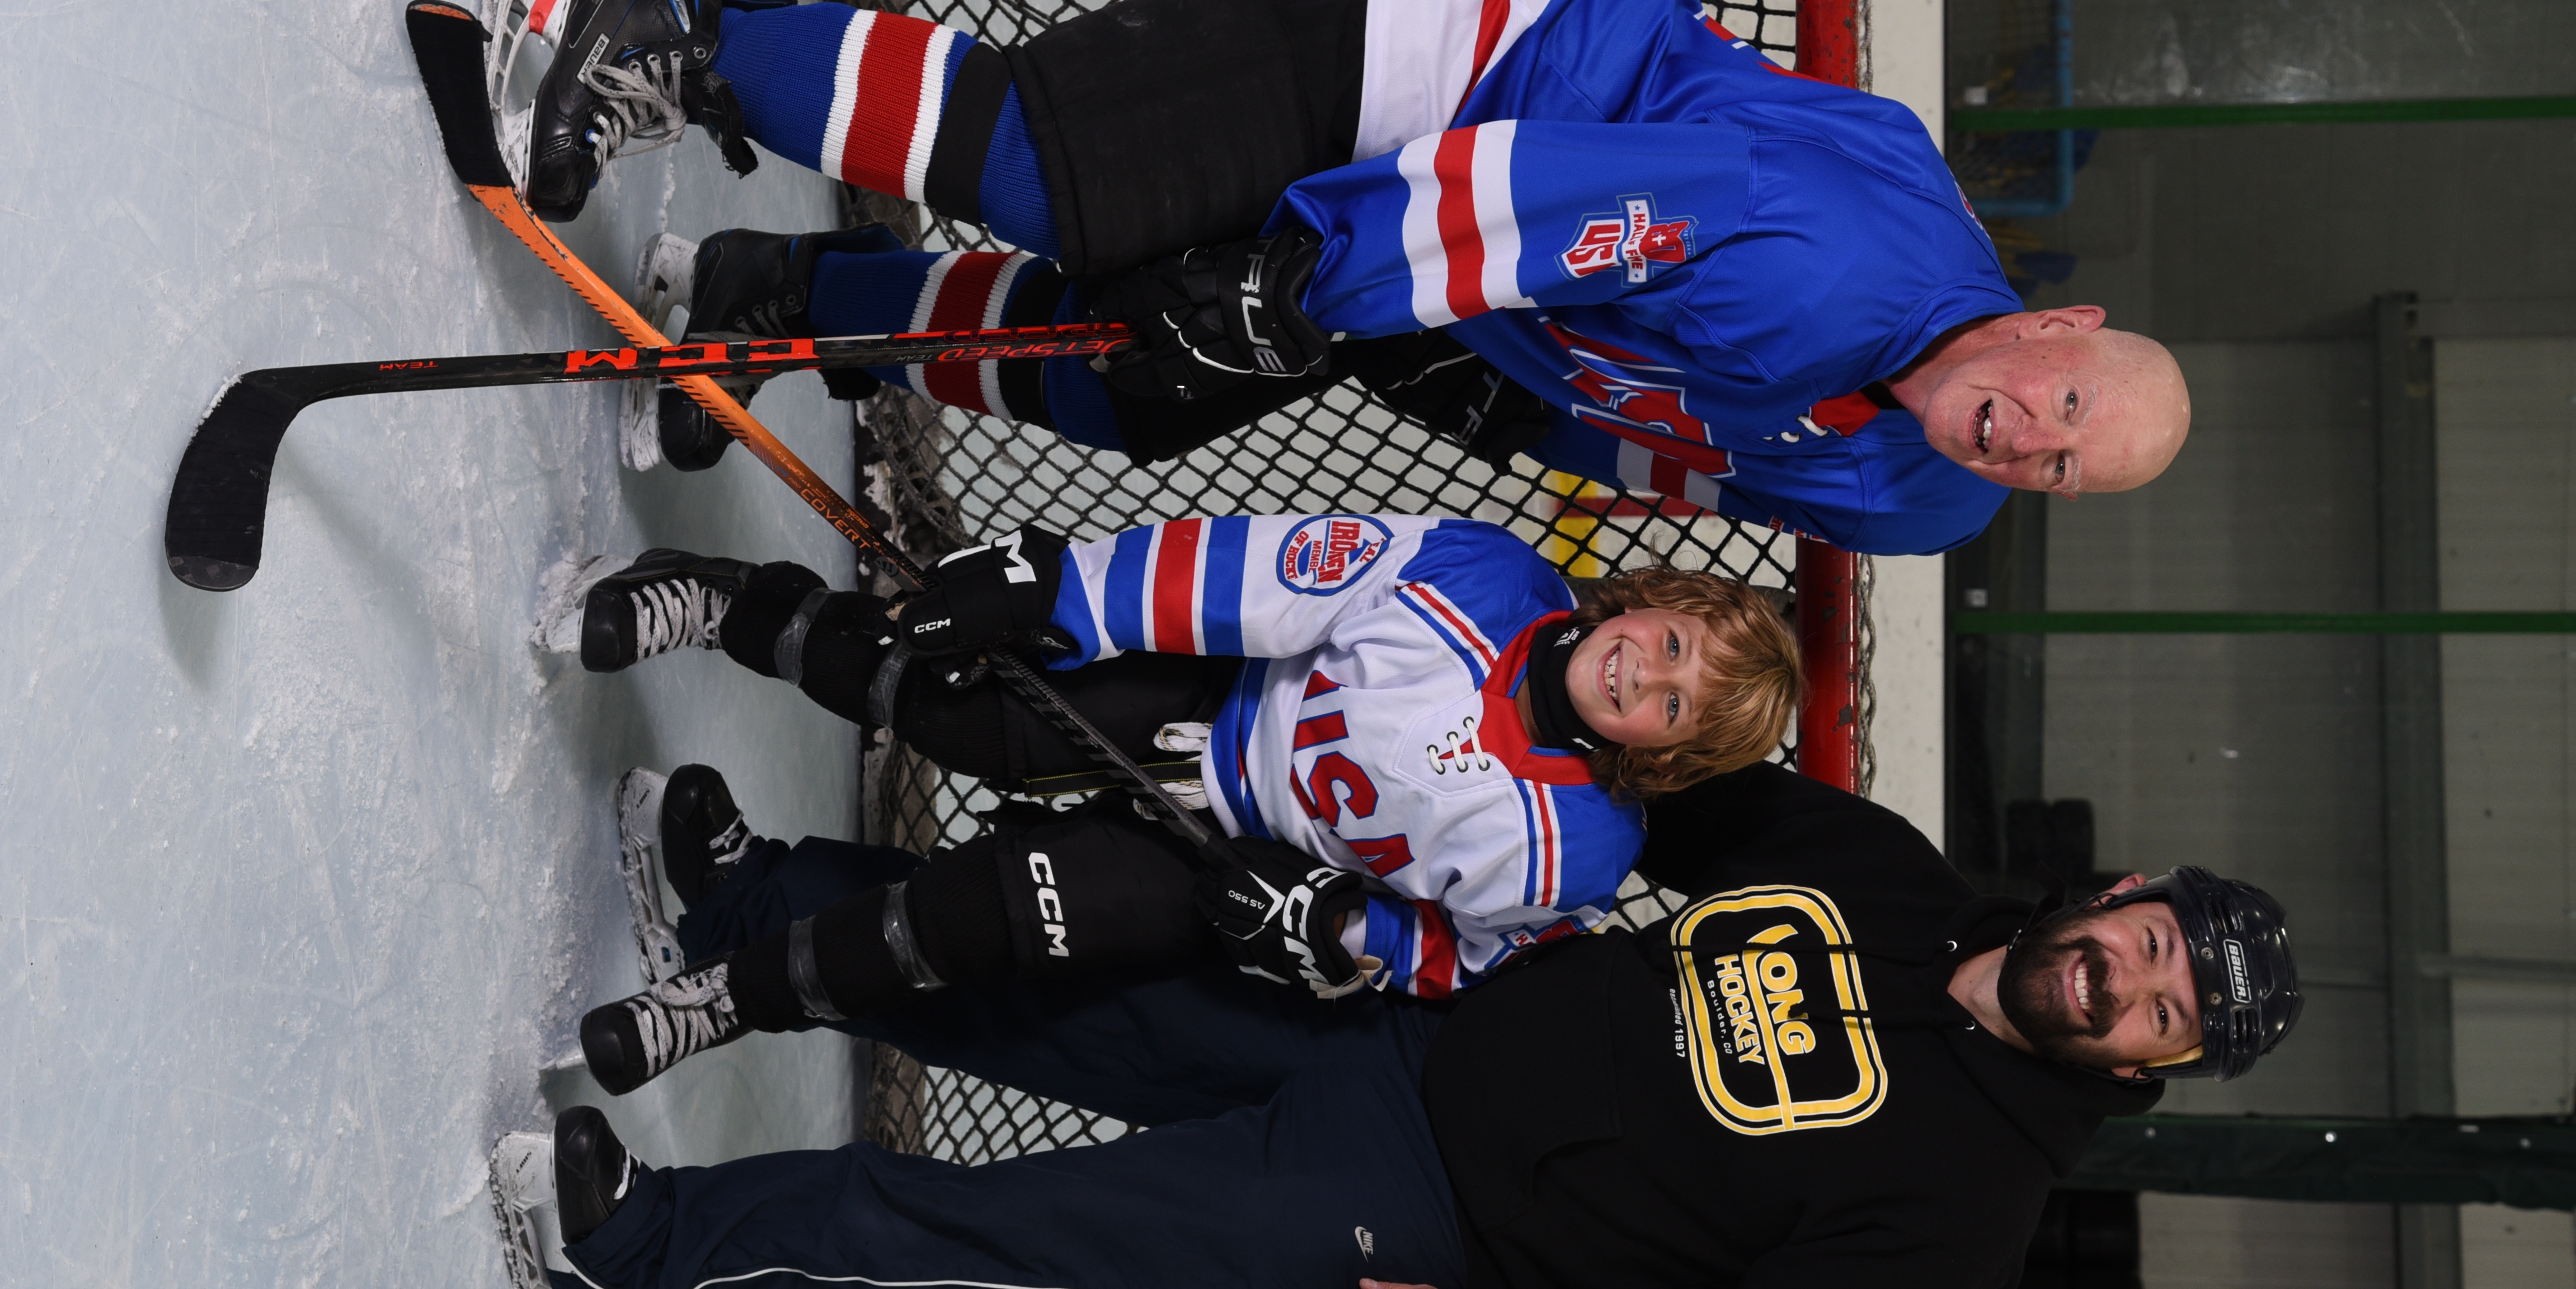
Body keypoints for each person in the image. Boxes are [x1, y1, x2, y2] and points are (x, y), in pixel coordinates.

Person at [481, 760, 2304, 1289]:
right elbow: (1637, 794)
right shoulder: (1886, 876)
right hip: (1407, 1000)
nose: (2124, 981)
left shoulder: (1964, 1216)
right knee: (1049, 982)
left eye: (2159, 1014)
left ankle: (651, 1260)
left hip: (1409, 1216)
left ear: (2149, 1065)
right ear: (2124, 887)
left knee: (1004, 1230)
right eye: (2151, 942)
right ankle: (750, 898)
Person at [477, 0, 2192, 556]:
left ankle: (771, 291)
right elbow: (1534, 199)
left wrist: (1522, 412)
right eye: (2063, 407)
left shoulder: (1926, 497)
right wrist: (1295, 291)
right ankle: (651, 31)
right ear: (2059, 325)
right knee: (1058, 183)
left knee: (1131, 385)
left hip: (1507, 280)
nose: (2030, 445)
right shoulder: (1838, 262)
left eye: (2063, 472)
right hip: (1467, 67)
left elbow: (1712, 453)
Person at [527, 510, 1801, 1095]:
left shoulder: (1578, 856)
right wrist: (1055, 596)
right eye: (1674, 644)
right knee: (950, 703)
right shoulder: (1484, 577)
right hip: (1207, 700)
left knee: (974, 924)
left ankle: (727, 996)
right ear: (1652, 602)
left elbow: (1462, 959)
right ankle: (714, 597)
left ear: (1661, 757)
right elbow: (1259, 576)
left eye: (1676, 708)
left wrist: (1332, 930)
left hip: (1227, 870)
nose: (1650, 676)